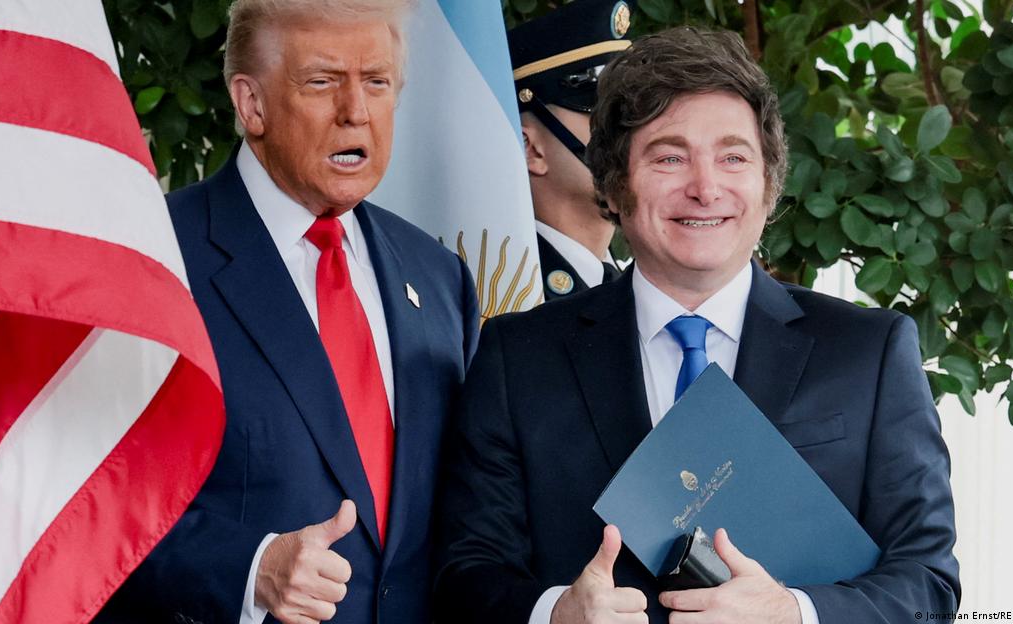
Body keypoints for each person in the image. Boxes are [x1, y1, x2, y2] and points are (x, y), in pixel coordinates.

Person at [434, 26, 959, 624]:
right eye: (670, 157)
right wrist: (555, 614)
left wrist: (796, 614)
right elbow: (464, 572)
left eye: (733, 157)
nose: (705, 188)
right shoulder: (517, 356)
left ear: (768, 184)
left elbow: (927, 579)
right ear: (614, 182)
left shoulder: (870, 351)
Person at [96, 1, 479, 623]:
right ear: (251, 104)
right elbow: (86, 503)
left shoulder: (438, 277)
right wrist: (250, 569)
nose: (356, 111)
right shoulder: (153, 259)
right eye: (323, 82)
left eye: (377, 82)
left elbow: (465, 515)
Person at [507, 0, 633, 300]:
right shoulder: (506, 294)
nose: (631, 134)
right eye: (603, 118)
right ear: (530, 149)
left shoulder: (635, 289)